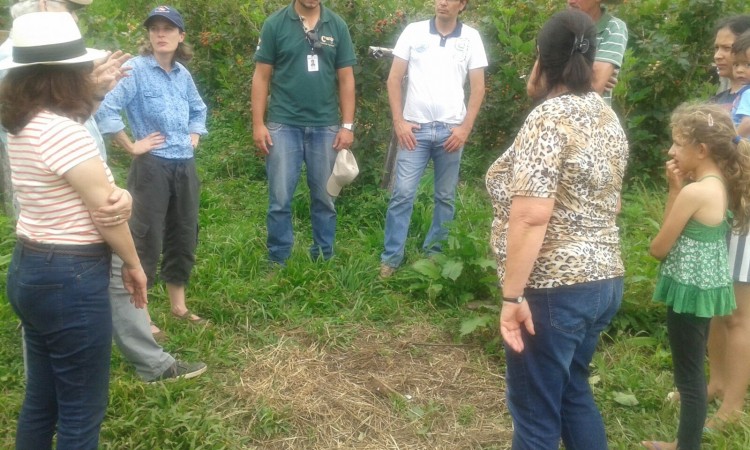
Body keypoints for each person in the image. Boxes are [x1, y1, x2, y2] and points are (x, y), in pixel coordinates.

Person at [0, 12, 149, 449]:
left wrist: (119, 196)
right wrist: (133, 263)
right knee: (82, 411)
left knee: (42, 401)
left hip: (31, 268)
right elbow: (106, 212)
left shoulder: (24, 126)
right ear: (67, 76)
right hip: (72, 278)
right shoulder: (64, 134)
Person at [486, 9, 628, 449]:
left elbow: (530, 216)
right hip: (603, 280)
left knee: (535, 415)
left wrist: (512, 297)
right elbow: (613, 201)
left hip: (553, 288)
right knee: (572, 391)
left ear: (542, 60)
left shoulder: (548, 119)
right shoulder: (606, 118)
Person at [643, 103, 750, 450]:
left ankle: (684, 446)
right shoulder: (720, 185)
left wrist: (675, 191)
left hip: (688, 293)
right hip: (707, 289)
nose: (671, 151)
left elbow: (659, 248)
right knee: (692, 374)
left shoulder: (693, 192)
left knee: (688, 380)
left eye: (677, 144)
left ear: (701, 150)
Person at [96, 5, 209, 332]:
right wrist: (131, 145)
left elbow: (199, 109)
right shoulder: (135, 69)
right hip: (151, 168)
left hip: (184, 166)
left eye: (168, 28)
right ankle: (141, 313)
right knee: (146, 236)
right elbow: (106, 107)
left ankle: (178, 305)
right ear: (149, 34)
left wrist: (194, 135)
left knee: (184, 230)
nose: (161, 34)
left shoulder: (182, 74)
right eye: (155, 28)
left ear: (180, 36)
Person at [379, 0, 487, 278]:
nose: (442, 2)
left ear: (461, 5)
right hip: (415, 130)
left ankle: (435, 257)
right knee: (402, 194)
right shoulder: (413, 32)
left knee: (445, 197)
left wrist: (465, 129)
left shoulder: (471, 38)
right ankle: (391, 259)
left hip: (451, 131)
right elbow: (393, 79)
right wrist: (399, 122)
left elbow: (478, 89)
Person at [251, 0, 356, 266]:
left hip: (327, 126)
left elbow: (346, 78)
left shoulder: (337, 25)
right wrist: (258, 123)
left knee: (325, 198)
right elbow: (261, 76)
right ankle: (278, 259)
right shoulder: (275, 24)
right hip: (283, 124)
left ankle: (323, 257)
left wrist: (347, 125)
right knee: (280, 199)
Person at [704, 14, 750, 432]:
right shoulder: (725, 95)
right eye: (718, 48)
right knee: (718, 303)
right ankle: (715, 383)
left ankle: (732, 408)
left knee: (738, 311)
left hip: (745, 215)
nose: (721, 56)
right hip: (723, 208)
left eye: (729, 48)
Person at [567, 0, 628, 104]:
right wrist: (587, 75)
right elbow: (535, 87)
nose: (570, 1)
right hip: (553, 117)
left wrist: (555, 76)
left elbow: (594, 87)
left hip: (592, 118)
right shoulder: (558, 27)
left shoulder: (613, 27)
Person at [730, 32, 750, 137]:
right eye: (736, 64)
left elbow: (747, 123)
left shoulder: (748, 93)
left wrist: (733, 143)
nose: (739, 70)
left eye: (747, 64)